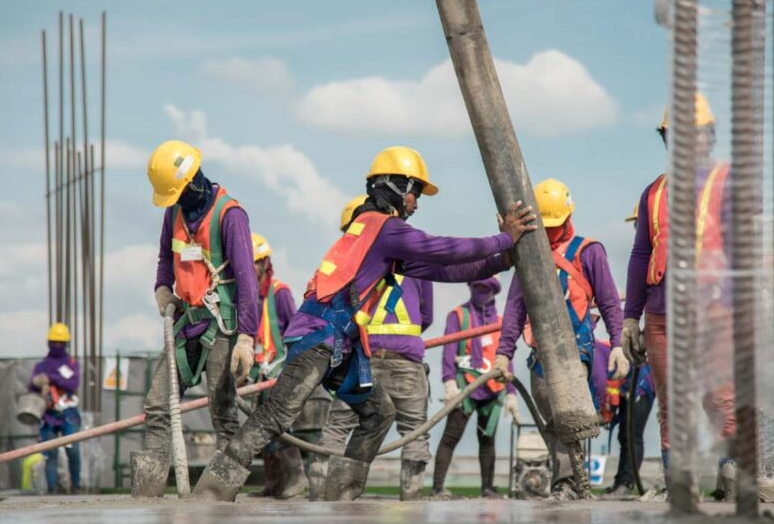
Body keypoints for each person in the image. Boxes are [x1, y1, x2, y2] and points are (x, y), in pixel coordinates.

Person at [191, 145, 535, 502]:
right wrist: (503, 238)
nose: (417, 203)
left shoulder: (373, 235)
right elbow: (442, 249)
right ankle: (213, 492)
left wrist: (502, 259)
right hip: (320, 338)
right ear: (396, 188)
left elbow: (442, 270)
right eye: (415, 192)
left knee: (377, 413)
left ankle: (343, 492)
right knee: (277, 415)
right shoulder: (383, 228)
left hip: (336, 344)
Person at [622, 94, 737, 501]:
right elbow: (640, 256)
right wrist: (629, 318)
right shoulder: (653, 193)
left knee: (720, 397)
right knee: (671, 403)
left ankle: (731, 476)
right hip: (662, 315)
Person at [131, 140, 259, 498]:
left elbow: (248, 281)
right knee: (158, 406)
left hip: (222, 327)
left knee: (223, 414)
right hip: (187, 325)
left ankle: (219, 496)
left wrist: (247, 339)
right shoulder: (173, 214)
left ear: (191, 184)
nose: (172, 202)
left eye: (175, 194)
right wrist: (162, 286)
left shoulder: (229, 216)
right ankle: (148, 494)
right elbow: (164, 256)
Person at [496, 178, 630, 500]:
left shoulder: (589, 252)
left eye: (556, 225)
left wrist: (616, 345)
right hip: (540, 357)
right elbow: (515, 308)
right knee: (557, 425)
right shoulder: (527, 254)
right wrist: (504, 353)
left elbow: (610, 301)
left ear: (569, 217)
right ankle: (570, 485)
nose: (551, 232)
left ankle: (567, 486)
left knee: (565, 421)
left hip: (576, 354)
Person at [311, 195, 436, 502]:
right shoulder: (417, 261)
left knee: (339, 426)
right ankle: (411, 500)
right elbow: (427, 316)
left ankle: (321, 499)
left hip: (361, 360)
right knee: (414, 431)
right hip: (405, 360)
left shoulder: (347, 265)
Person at [432, 277, 515, 499]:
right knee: (451, 437)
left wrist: (512, 393)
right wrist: (449, 382)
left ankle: (487, 488)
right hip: (465, 385)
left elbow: (507, 356)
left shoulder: (500, 321)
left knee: (488, 441)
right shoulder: (458, 316)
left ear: (493, 291)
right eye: (477, 286)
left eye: (486, 288)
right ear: (470, 287)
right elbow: (448, 350)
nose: (481, 291)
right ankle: (437, 487)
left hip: (493, 389)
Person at [248, 232, 309, 499]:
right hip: (259, 371)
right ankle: (273, 483)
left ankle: (296, 479)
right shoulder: (247, 295)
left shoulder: (280, 292)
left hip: (280, 368)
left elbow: (295, 330)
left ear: (263, 264)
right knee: (262, 427)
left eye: (252, 263)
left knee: (281, 425)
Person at [601, 206, 656, 499]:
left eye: (640, 224)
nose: (638, 229)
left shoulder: (655, 263)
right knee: (624, 432)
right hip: (632, 367)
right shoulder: (639, 266)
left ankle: (628, 482)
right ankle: (622, 480)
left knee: (633, 431)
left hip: (646, 373)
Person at [28, 322, 82, 494]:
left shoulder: (71, 363)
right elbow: (31, 388)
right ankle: (52, 489)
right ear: (49, 342)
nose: (57, 346)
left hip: (68, 413)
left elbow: (73, 383)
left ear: (66, 343)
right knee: (50, 454)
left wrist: (52, 378)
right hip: (48, 415)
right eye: (54, 342)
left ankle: (76, 486)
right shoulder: (41, 366)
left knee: (73, 451)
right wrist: (36, 383)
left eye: (61, 342)